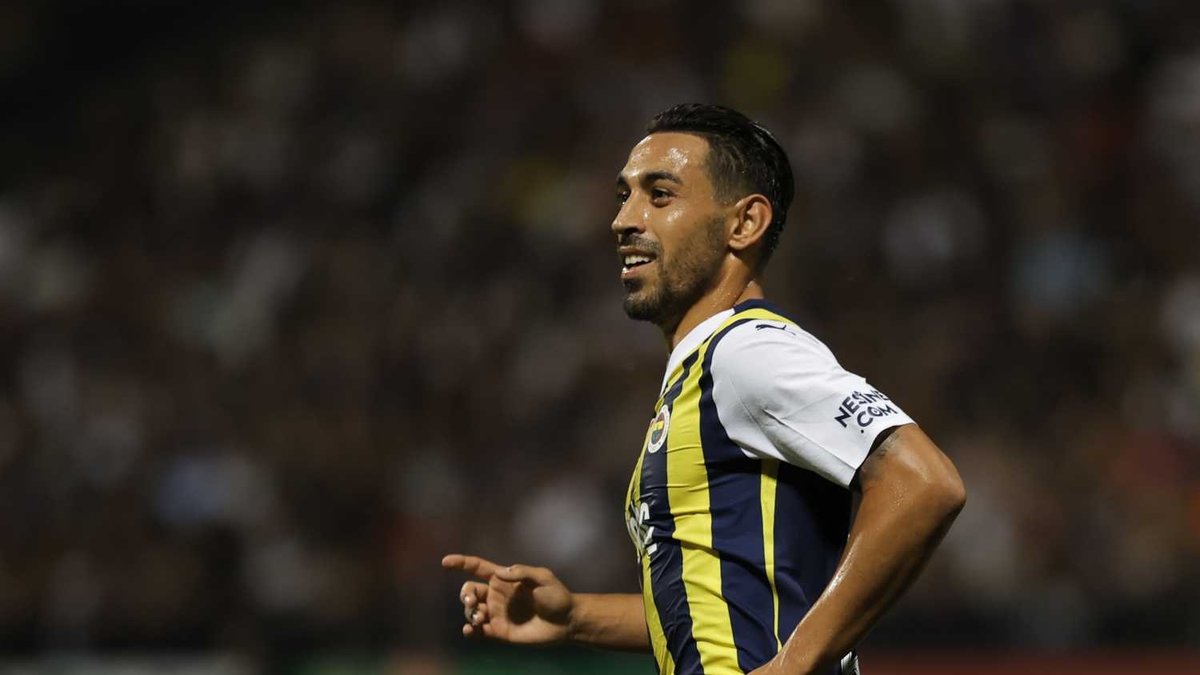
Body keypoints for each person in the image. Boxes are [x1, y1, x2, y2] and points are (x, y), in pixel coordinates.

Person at [442, 104, 966, 675]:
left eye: (660, 195)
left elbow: (924, 483)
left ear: (745, 224)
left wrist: (793, 666)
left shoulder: (747, 353)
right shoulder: (704, 371)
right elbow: (723, 605)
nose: (624, 220)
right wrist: (576, 617)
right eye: (624, 196)